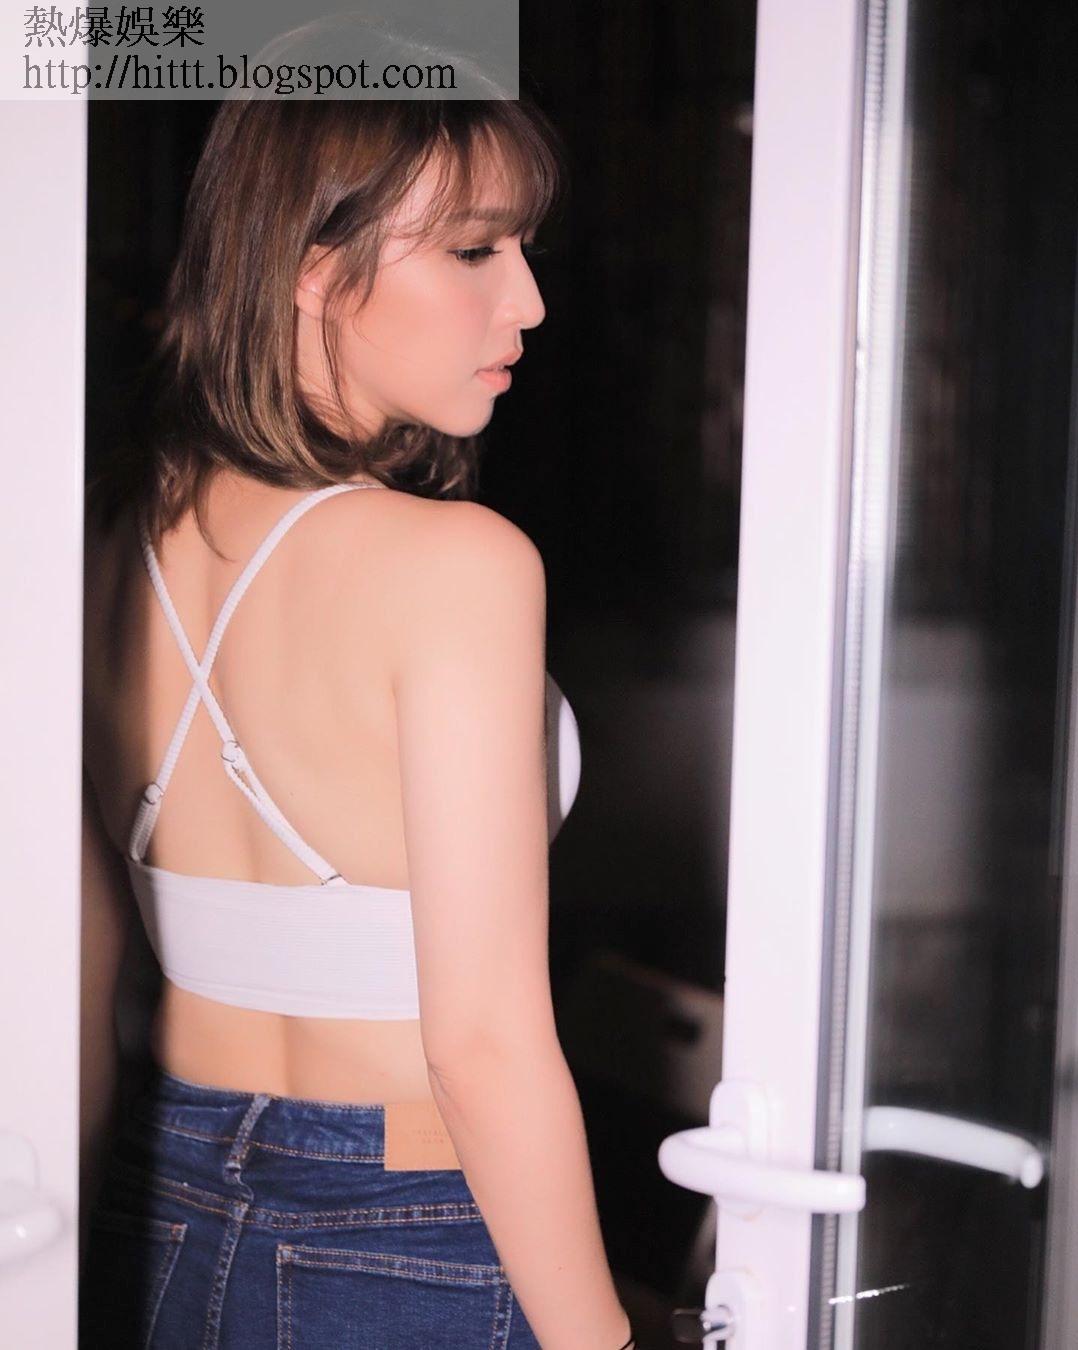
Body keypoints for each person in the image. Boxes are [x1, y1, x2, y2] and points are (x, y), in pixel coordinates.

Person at [79, 98, 635, 1349]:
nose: (529, 301)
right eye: (475, 249)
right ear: (312, 269)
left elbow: (73, 978)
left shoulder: (105, 535)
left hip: (148, 1212)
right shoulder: (460, 566)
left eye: (523, 248)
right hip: (405, 1230)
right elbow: (482, 1048)